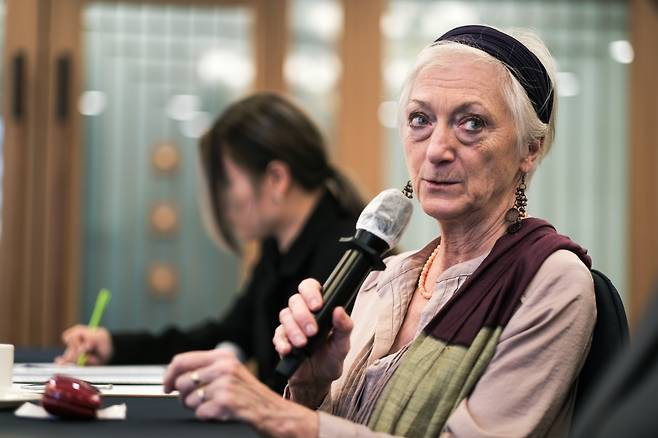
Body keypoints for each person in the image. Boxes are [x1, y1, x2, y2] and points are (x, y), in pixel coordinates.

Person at [163, 25, 597, 437]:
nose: (437, 150)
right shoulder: (385, 276)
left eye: (472, 123)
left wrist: (285, 417)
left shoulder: (551, 282)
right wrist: (311, 385)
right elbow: (338, 422)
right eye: (419, 120)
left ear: (530, 150)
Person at [57, 92, 364, 392]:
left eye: (227, 182)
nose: (221, 200)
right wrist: (114, 347)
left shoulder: (347, 257)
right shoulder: (279, 249)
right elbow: (228, 333)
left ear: (276, 179)